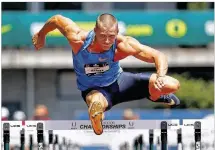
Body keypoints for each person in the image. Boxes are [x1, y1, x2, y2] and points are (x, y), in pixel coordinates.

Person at [32, 13, 180, 135]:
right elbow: (57, 20)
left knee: (172, 84)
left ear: (116, 33)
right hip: (94, 89)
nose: (107, 41)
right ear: (95, 31)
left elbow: (157, 55)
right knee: (96, 101)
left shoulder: (122, 45)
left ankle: (154, 95)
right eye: (103, 36)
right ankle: (97, 116)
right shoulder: (78, 39)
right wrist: (42, 34)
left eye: (111, 36)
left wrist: (160, 76)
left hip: (120, 83)